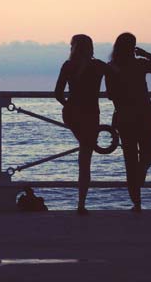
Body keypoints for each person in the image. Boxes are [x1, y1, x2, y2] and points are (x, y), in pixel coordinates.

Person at [106, 32, 151, 212]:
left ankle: (136, 199)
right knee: (145, 157)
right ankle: (137, 194)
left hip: (127, 116)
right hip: (142, 115)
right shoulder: (138, 64)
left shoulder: (112, 67)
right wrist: (146, 53)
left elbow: (110, 94)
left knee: (131, 160)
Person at [54, 34, 110, 215]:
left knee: (84, 153)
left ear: (73, 47)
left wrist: (69, 105)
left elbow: (58, 93)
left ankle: (81, 204)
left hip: (71, 114)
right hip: (91, 114)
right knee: (85, 158)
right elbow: (116, 78)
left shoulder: (68, 65)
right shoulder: (99, 65)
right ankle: (81, 204)